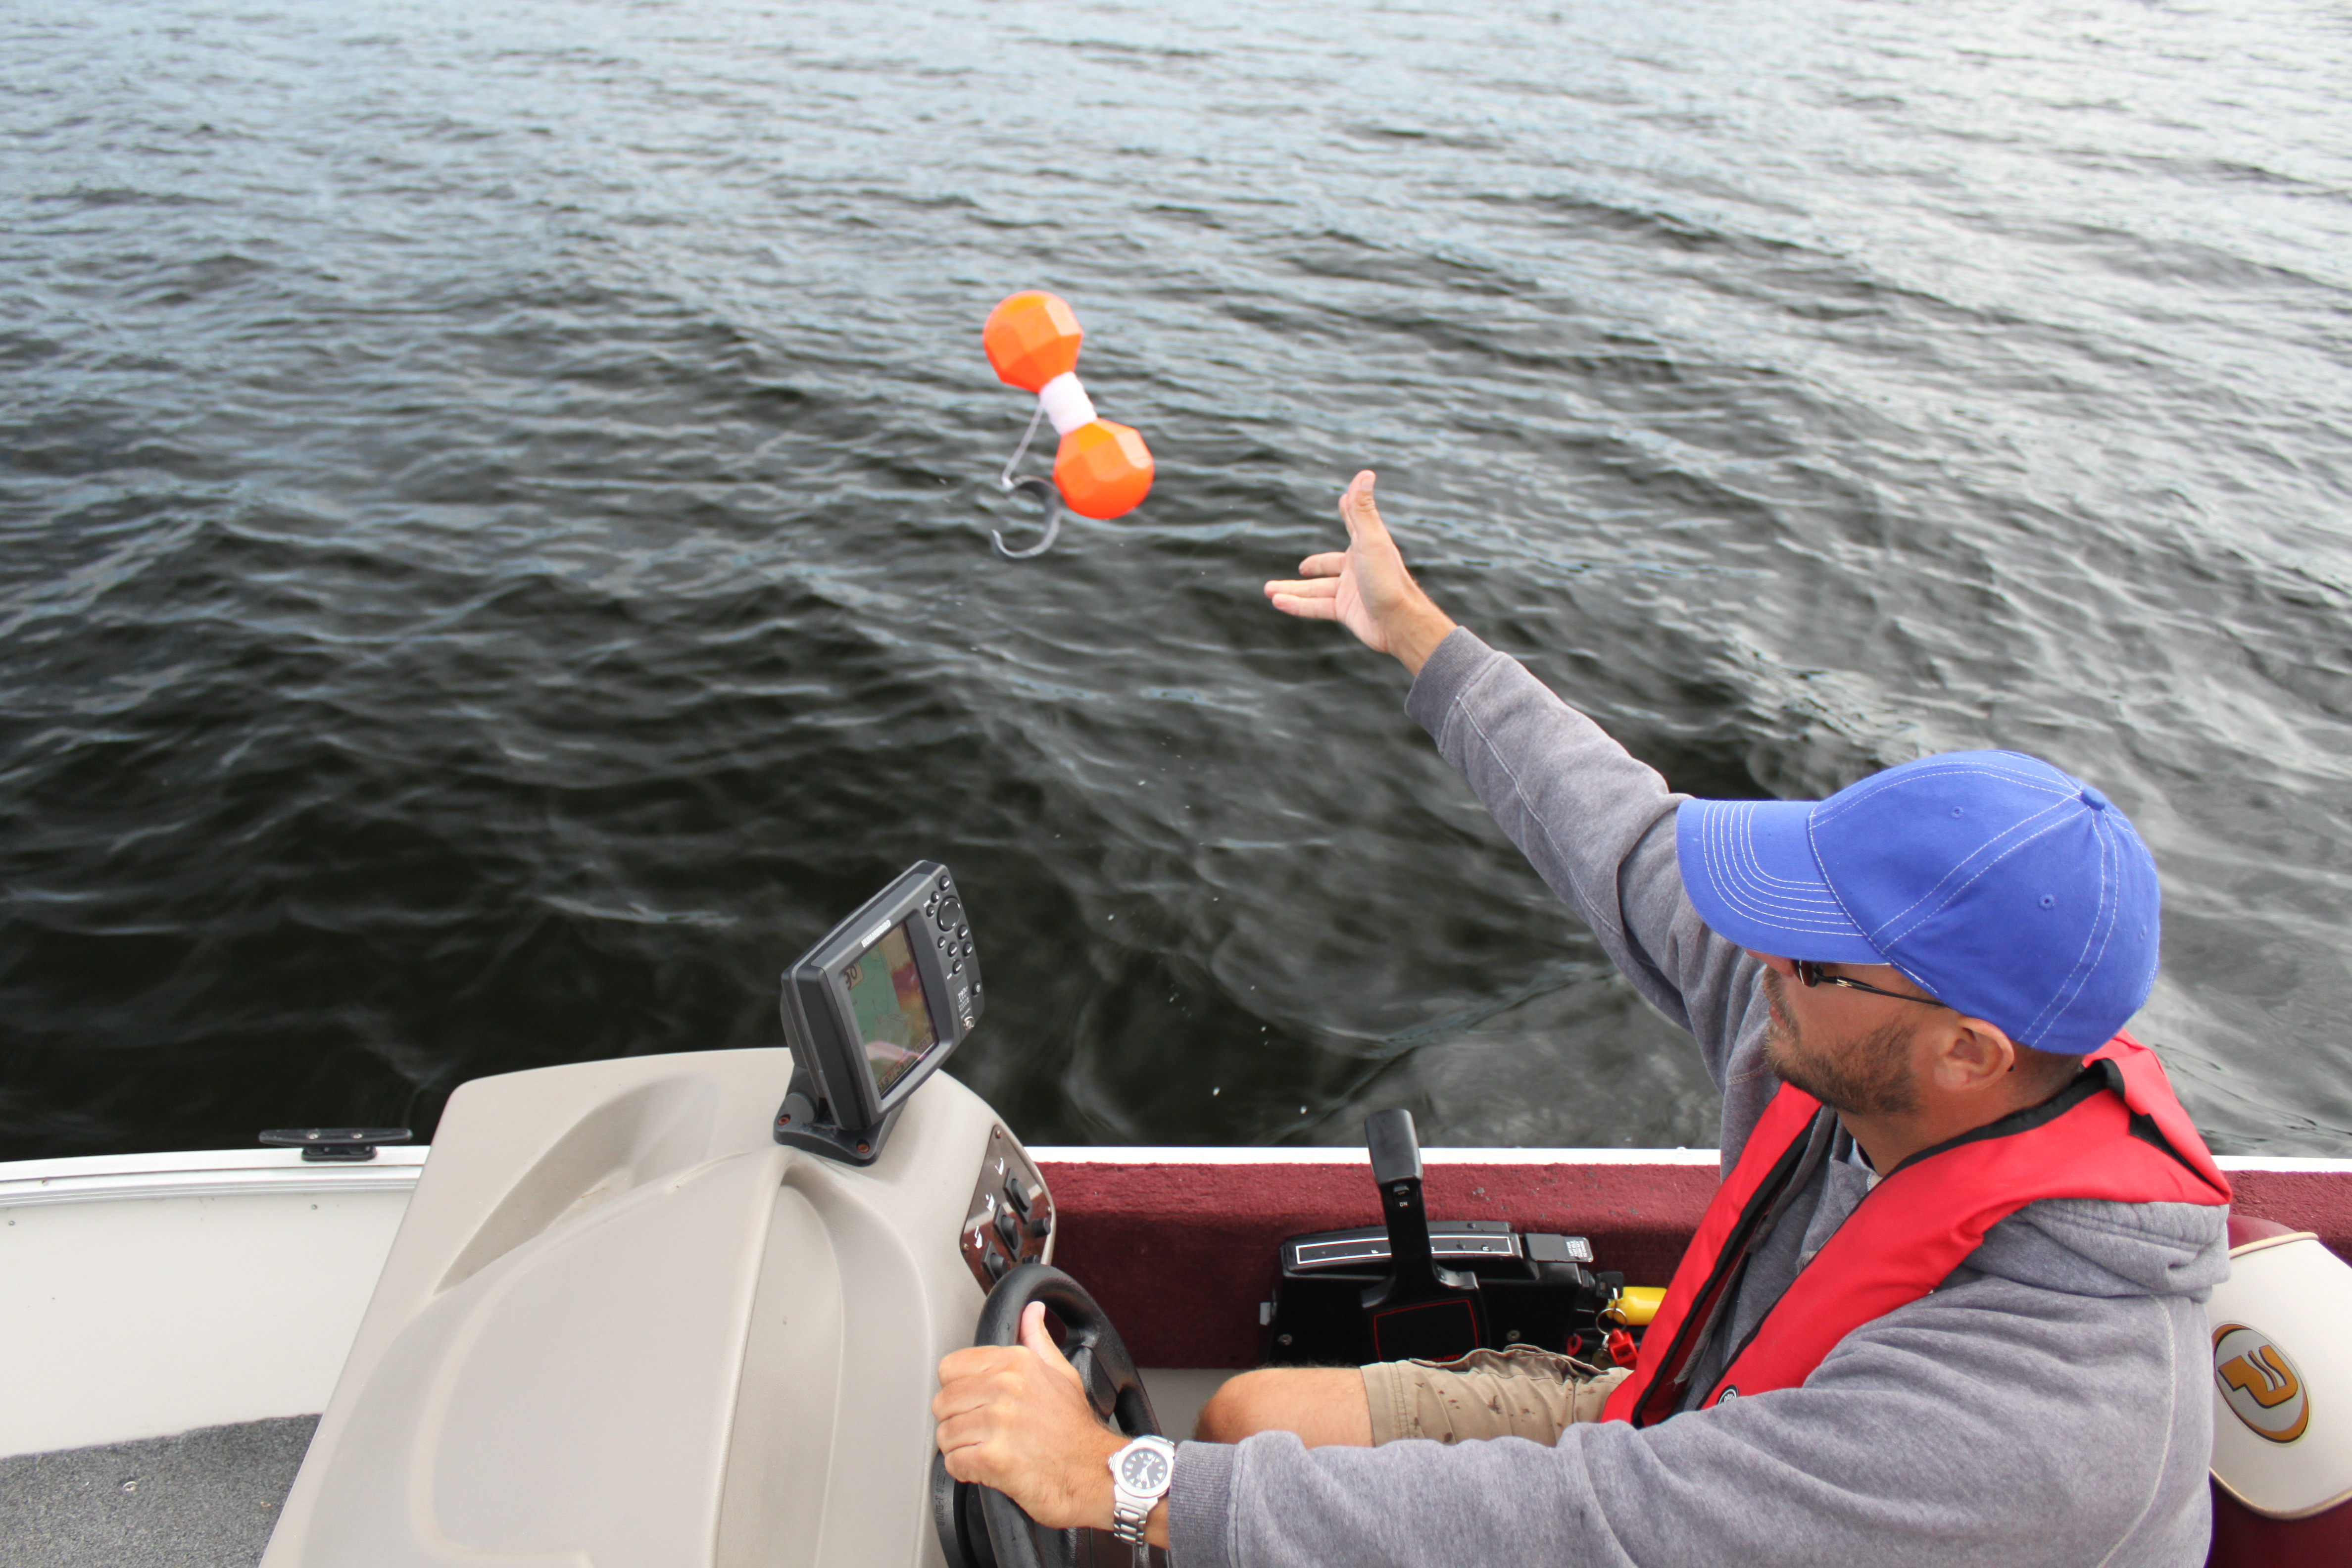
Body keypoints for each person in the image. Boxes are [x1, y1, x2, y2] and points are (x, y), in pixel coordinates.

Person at [933, 472, 2232, 1567]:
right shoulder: (1878, 1041)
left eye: (1814, 951)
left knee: (1196, 1491)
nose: (1761, 952)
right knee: (1249, 1417)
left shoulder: (2046, 1415)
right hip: (1697, 1417)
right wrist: (1419, 638)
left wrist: (1113, 1480)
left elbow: (1607, 1525)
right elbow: (1624, 841)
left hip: (1696, 1512)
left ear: (1970, 1052)